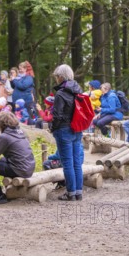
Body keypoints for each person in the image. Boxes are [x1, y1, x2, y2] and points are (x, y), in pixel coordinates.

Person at [0, 111, 35, 204]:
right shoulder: (20, 132)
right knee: (3, 160)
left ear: (1, 124)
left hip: (20, 169)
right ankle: (11, 189)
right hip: (29, 168)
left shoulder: (5, 137)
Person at [50, 64, 84, 201]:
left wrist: (53, 128)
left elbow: (57, 115)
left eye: (56, 76)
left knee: (67, 163)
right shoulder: (78, 90)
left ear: (61, 77)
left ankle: (70, 192)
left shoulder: (61, 93)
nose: (56, 79)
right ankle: (78, 192)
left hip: (64, 130)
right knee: (76, 163)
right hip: (77, 129)